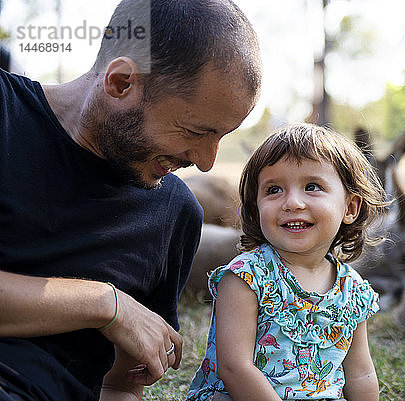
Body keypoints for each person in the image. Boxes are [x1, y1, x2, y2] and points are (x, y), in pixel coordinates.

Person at [0, 0, 261, 400]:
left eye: (220, 137)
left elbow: (119, 384)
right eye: (195, 131)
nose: (206, 163)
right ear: (121, 83)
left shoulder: (175, 214)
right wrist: (104, 303)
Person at [186, 123, 386, 401]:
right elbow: (234, 367)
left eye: (312, 187)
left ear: (350, 208)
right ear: (256, 209)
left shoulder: (352, 288)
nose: (292, 202)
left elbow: (361, 374)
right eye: (274, 190)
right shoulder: (246, 277)